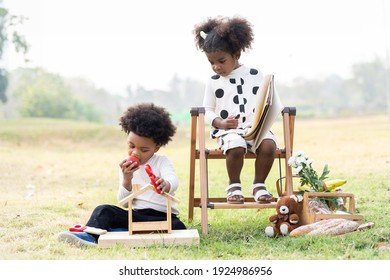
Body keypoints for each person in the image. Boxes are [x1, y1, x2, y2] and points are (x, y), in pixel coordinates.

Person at [58, 103, 186, 247]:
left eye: (143, 149)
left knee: (179, 227)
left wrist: (166, 184)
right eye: (131, 146)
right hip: (136, 216)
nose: (135, 153)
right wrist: (127, 179)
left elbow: (173, 179)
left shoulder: (161, 161)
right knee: (103, 210)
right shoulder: (126, 168)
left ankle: (118, 230)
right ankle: (89, 237)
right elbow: (124, 203)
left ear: (156, 147)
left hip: (163, 216)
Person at [193, 16, 277, 204]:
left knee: (269, 145)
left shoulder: (256, 75)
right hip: (229, 131)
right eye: (211, 62)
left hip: (255, 129)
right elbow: (207, 109)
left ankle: (259, 184)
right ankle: (234, 185)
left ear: (237, 54)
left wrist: (264, 118)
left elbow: (267, 101)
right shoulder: (213, 82)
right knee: (236, 145)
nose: (216, 67)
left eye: (221, 61)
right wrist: (220, 123)